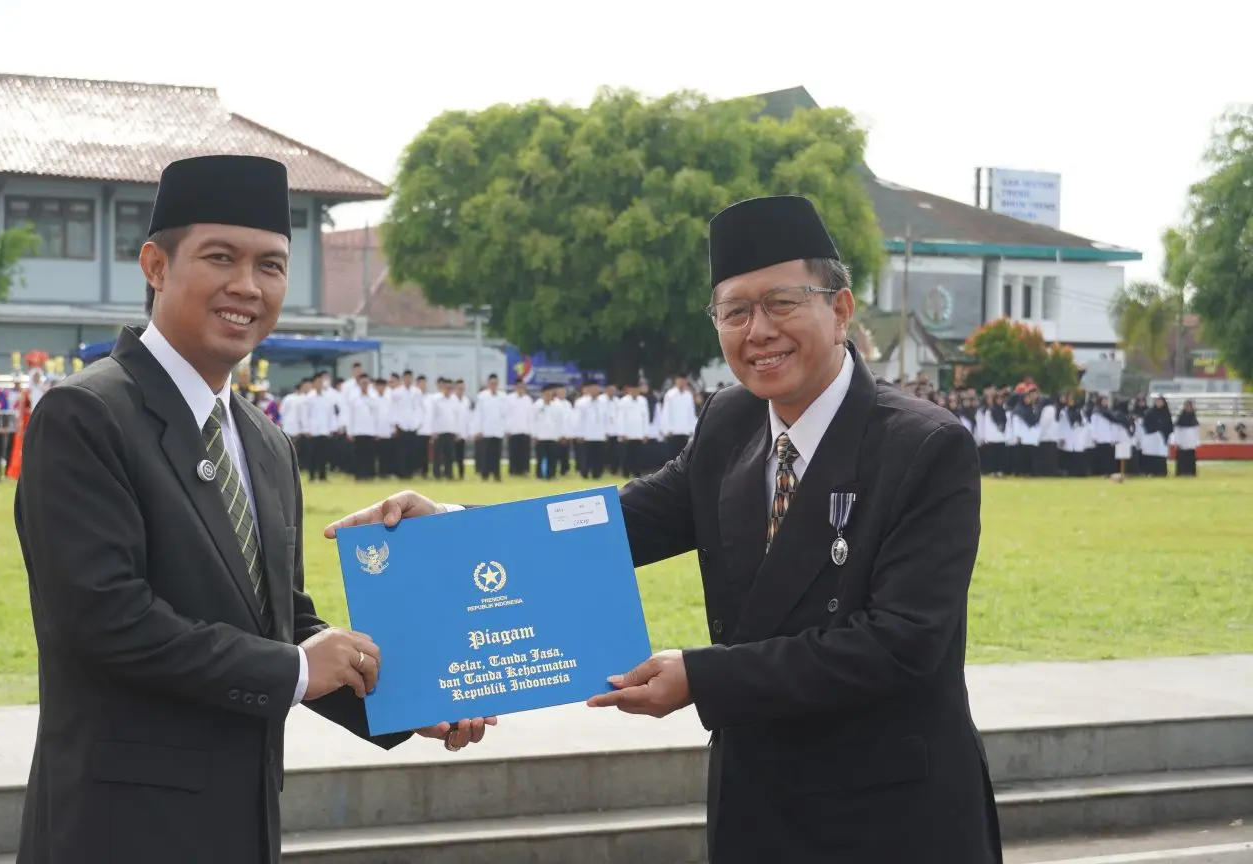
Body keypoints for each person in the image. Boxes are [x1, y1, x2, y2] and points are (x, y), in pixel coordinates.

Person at [326, 195, 1002, 863]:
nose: (758, 330)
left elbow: (901, 644)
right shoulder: (731, 424)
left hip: (892, 813)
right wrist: (446, 526)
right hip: (762, 805)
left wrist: (703, 679)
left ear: (840, 308)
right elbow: (607, 530)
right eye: (735, 311)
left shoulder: (923, 445)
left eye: (782, 303)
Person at [12, 155, 490, 864]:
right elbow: (107, 622)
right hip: (120, 825)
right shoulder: (87, 414)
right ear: (155, 264)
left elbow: (283, 621)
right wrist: (297, 667)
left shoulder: (265, 441)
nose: (247, 285)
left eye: (270, 265)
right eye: (220, 257)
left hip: (241, 821)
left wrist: (408, 697)